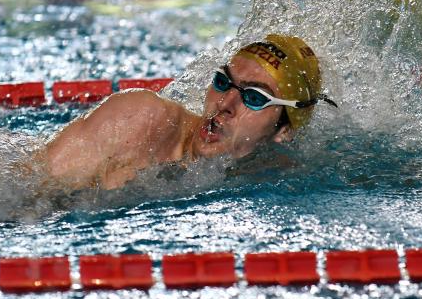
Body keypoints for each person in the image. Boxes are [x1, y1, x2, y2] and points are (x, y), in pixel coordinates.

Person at [37, 34, 336, 190]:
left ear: (284, 130)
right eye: (222, 82)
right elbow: (28, 185)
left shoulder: (280, 178)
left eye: (255, 97)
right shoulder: (140, 118)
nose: (225, 104)